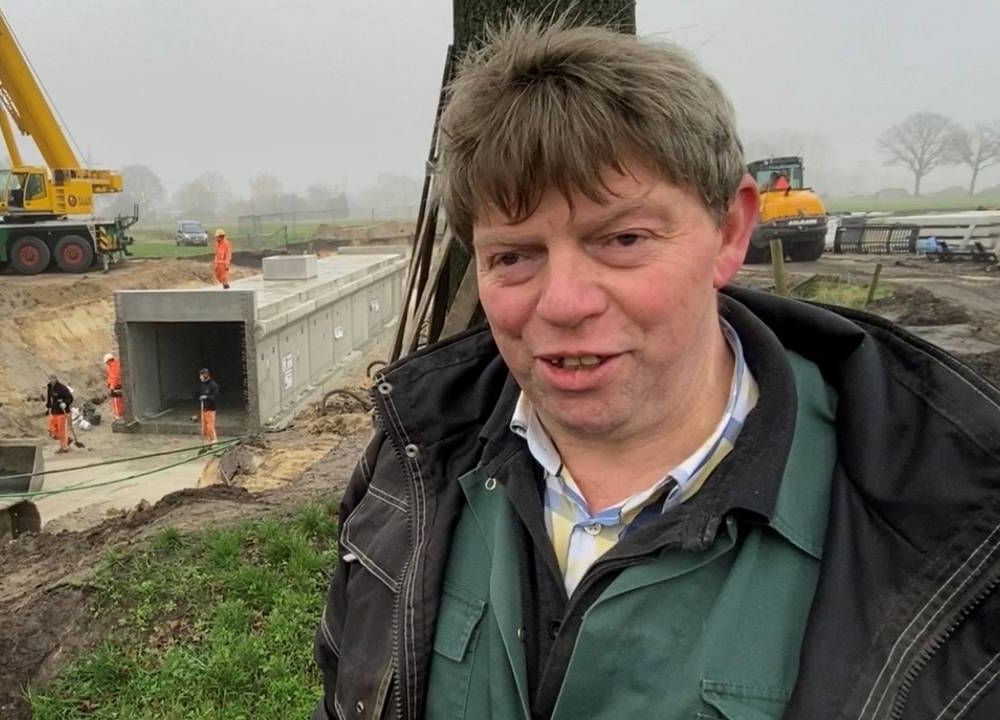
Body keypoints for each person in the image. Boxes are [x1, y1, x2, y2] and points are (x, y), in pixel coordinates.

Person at [313, 18, 1000, 720]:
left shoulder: (949, 528)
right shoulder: (409, 466)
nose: (565, 303)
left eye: (623, 239)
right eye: (514, 255)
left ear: (730, 233)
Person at [45, 374, 74, 454]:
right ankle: (67, 439)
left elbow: (70, 397)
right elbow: (49, 398)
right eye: (50, 379)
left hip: (62, 412)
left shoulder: (62, 388)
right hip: (54, 412)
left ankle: (64, 448)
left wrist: (65, 403)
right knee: (51, 429)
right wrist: (48, 406)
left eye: (53, 379)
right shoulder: (50, 387)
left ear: (56, 379)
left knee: (62, 430)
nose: (52, 381)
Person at [198, 367, 219, 443]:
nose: (200, 377)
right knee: (205, 427)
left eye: (201, 376)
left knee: (210, 426)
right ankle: (209, 440)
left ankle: (214, 440)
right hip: (204, 408)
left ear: (205, 375)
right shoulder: (203, 385)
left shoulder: (213, 385)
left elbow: (214, 397)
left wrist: (206, 397)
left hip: (211, 409)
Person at [104, 352, 123, 420]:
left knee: (116, 402)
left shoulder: (113, 366)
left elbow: (114, 377)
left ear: (108, 361)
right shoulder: (117, 364)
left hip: (116, 387)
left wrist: (112, 388)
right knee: (120, 401)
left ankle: (118, 416)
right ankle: (120, 415)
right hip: (119, 385)